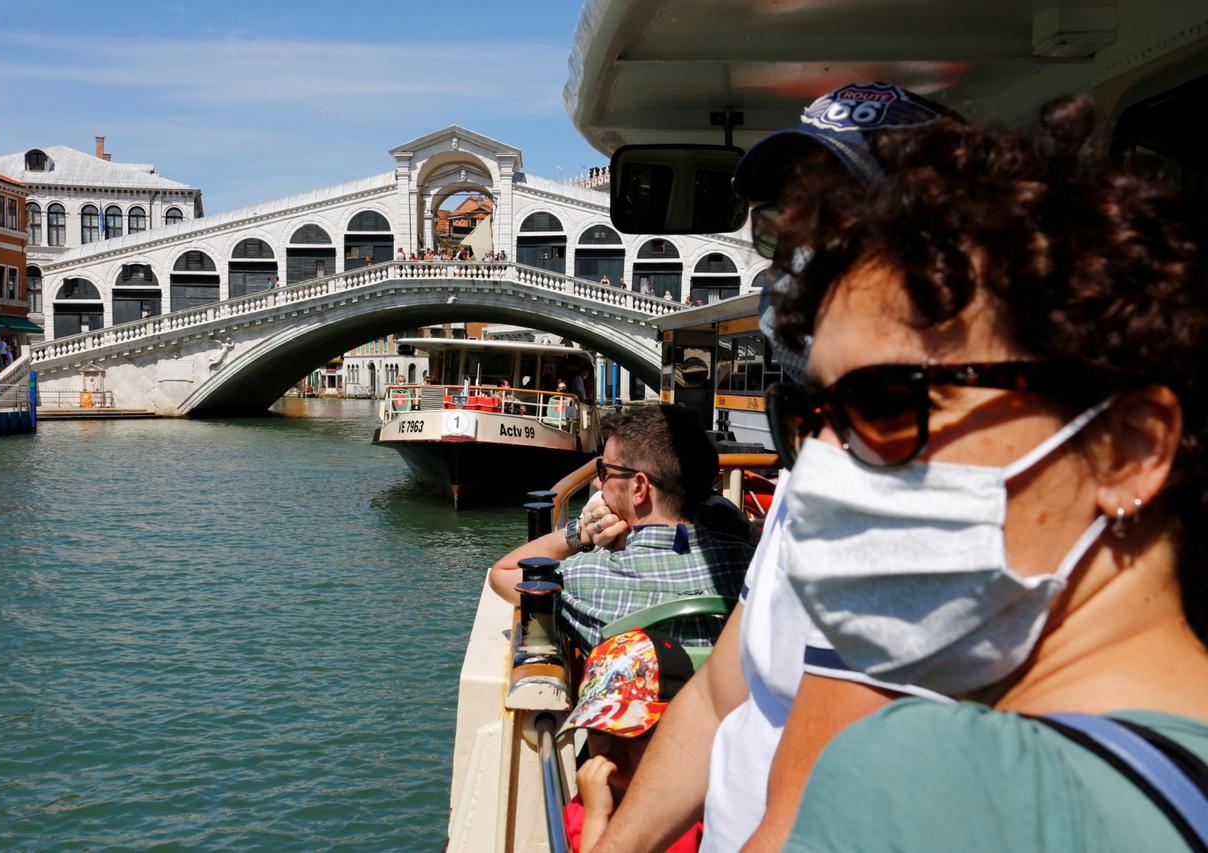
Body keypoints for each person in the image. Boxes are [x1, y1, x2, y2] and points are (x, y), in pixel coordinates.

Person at [770, 95, 1208, 851]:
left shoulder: (924, 777)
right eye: (816, 418)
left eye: (887, 402)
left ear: (1131, 446)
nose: (825, 467)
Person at [592, 83, 964, 853]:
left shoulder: (944, 493)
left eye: (840, 222)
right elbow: (725, 692)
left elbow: (817, 799)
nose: (799, 255)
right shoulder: (822, 457)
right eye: (787, 225)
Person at [489, 404, 752, 652]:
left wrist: (580, 534)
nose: (596, 483)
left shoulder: (588, 576)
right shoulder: (752, 565)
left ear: (639, 487)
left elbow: (503, 573)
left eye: (604, 471)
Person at [561, 629, 702, 853]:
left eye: (633, 732)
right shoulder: (588, 806)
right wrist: (596, 818)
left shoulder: (697, 809)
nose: (611, 749)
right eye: (599, 731)